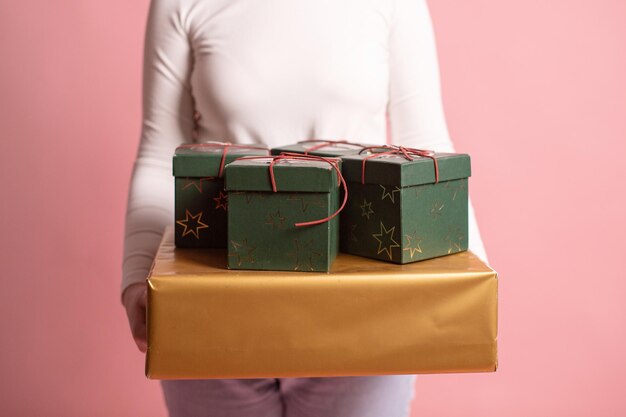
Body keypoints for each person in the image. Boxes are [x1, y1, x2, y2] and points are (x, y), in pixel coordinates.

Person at [122, 0, 488, 416]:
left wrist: (472, 292)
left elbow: (428, 146)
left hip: (362, 308)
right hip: (218, 299)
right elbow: (159, 152)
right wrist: (136, 275)